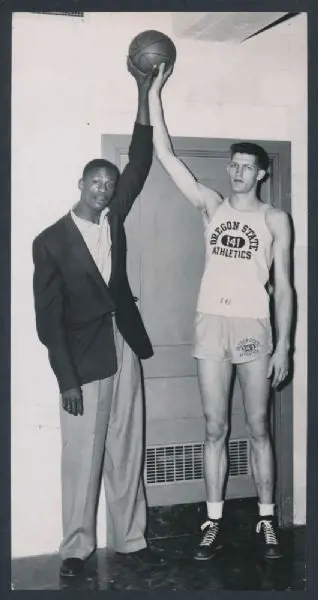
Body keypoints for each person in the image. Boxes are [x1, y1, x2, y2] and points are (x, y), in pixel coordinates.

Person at [148, 64, 293, 561]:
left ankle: (267, 520)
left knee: (257, 426)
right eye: (232, 164)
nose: (236, 171)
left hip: (254, 326)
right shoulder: (211, 206)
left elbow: (286, 287)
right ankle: (212, 521)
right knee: (214, 428)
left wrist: (286, 344)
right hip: (211, 322)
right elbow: (166, 156)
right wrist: (153, 91)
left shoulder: (276, 220)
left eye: (246, 166)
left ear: (262, 172)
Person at [32, 59, 164, 578]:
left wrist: (143, 90)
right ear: (81, 184)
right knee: (81, 456)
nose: (105, 189)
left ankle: (131, 537)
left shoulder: (116, 216)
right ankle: (76, 546)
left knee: (127, 445)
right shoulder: (51, 241)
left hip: (124, 344)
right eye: (97, 182)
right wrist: (66, 379)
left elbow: (141, 158)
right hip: (83, 359)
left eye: (110, 184)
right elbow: (48, 320)